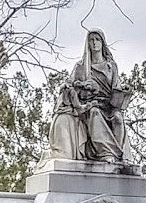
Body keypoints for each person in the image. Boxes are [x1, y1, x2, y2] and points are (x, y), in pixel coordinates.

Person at [48, 30, 130, 162]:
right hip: (89, 106)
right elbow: (70, 85)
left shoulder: (111, 66)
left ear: (103, 43)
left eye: (97, 39)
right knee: (95, 114)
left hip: (108, 105)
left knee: (118, 119)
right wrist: (69, 88)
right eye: (91, 40)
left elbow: (116, 87)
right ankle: (105, 153)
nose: (94, 43)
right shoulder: (81, 67)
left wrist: (123, 91)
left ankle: (118, 155)